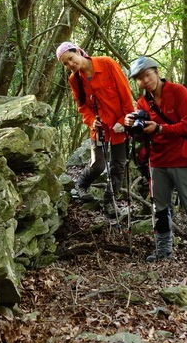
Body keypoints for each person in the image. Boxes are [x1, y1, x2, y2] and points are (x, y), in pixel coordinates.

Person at [123, 56, 187, 262]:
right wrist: (131, 124)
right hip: (157, 161)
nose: (145, 81)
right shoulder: (143, 102)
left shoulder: (179, 92)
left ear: (157, 72)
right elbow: (142, 136)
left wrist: (160, 128)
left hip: (182, 159)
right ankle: (164, 251)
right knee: (160, 209)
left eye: (147, 75)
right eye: (139, 79)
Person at [56, 41, 135, 216]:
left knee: (118, 165)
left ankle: (110, 202)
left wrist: (125, 119)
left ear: (77, 51)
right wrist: (91, 120)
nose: (71, 64)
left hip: (120, 125)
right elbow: (82, 106)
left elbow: (125, 93)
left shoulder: (107, 63)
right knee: (98, 164)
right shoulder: (74, 79)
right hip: (98, 127)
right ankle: (82, 185)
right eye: (66, 64)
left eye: (71, 58)